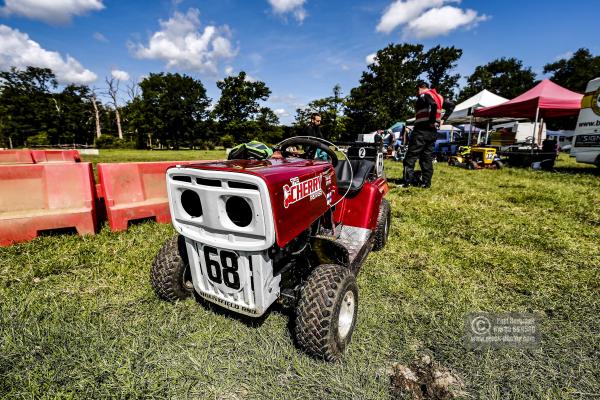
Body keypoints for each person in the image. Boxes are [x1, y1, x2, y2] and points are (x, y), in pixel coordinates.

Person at [401, 81, 454, 188]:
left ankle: (408, 182)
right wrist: (443, 119)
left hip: (421, 131)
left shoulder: (424, 95)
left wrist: (431, 120)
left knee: (410, 157)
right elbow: (452, 105)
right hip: (432, 133)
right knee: (426, 159)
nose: (417, 93)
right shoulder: (439, 97)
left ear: (420, 88)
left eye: (417, 90)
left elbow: (433, 105)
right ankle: (426, 183)